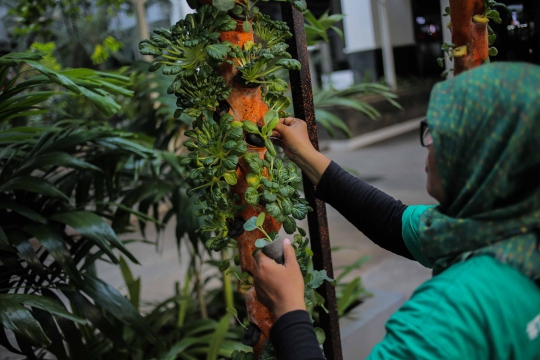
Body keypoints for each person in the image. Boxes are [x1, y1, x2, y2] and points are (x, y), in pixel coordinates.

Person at [252, 63, 540, 359]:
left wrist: (288, 310)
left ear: (482, 156)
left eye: (440, 134)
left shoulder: (451, 315)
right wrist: (306, 154)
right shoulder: (502, 226)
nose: (428, 146)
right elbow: (393, 222)